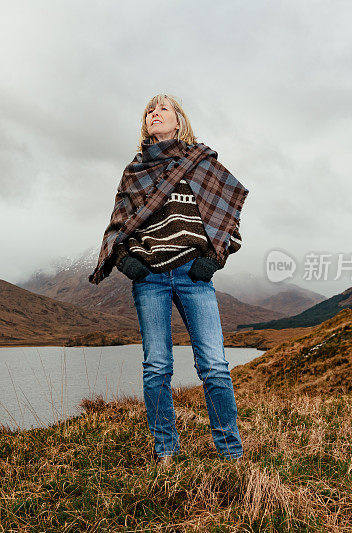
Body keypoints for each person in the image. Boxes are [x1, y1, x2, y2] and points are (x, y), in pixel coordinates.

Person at [87, 94, 250, 466]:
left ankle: (231, 452)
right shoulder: (134, 172)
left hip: (195, 276)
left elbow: (228, 221)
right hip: (150, 279)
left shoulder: (202, 165)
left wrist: (212, 259)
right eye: (149, 110)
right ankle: (166, 452)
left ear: (179, 121)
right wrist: (128, 262)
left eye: (163, 109)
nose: (154, 113)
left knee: (214, 365)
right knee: (157, 366)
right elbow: (119, 224)